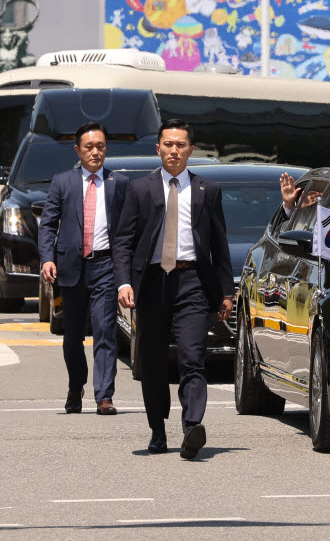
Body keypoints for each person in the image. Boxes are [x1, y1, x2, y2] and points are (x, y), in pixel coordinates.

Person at [114, 120, 234, 459]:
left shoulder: (207, 190)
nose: (174, 150)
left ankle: (192, 426)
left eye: (181, 145)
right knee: (151, 363)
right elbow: (123, 241)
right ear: (158, 148)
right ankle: (157, 430)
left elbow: (219, 245)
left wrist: (226, 292)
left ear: (190, 150)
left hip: (192, 282)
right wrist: (124, 281)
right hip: (151, 283)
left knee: (193, 356)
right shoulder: (140, 189)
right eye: (168, 144)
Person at [37, 122, 131, 416]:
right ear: (78, 150)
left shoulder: (119, 183)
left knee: (105, 331)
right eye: (89, 147)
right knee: (73, 336)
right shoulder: (62, 182)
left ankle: (104, 395)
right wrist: (47, 258)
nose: (95, 152)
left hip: (105, 265)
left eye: (100, 146)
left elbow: (127, 230)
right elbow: (48, 224)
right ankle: (76, 386)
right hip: (70, 268)